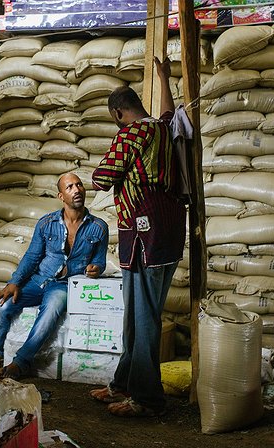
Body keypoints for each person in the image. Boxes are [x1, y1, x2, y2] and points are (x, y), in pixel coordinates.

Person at [89, 57, 187, 417]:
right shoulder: (164, 128)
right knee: (139, 313)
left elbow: (102, 178)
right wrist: (164, 77)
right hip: (168, 232)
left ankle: (147, 399)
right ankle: (123, 383)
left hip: (144, 234)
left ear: (118, 113)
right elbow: (168, 113)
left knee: (143, 318)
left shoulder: (131, 134)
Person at [0, 172, 109, 379]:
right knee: (1, 307)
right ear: (61, 196)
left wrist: (97, 268)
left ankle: (20, 362)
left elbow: (100, 260)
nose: (77, 190)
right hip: (39, 280)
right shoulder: (46, 223)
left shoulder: (99, 227)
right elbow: (32, 256)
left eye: (79, 185)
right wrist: (14, 282)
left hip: (65, 285)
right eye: (70, 187)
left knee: (52, 309)